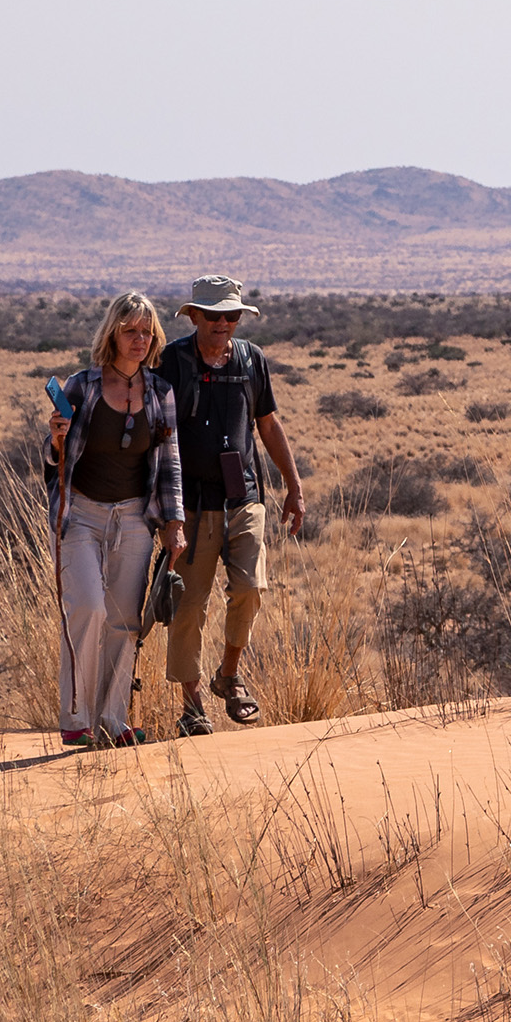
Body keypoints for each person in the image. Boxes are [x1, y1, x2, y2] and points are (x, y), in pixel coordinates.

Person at [157, 274, 304, 734]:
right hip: (193, 507)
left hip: (244, 497)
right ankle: (192, 707)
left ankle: (229, 675)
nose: (223, 324)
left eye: (231, 315)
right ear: (194, 316)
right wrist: (166, 510)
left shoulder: (251, 360)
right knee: (189, 606)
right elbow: (157, 435)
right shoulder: (172, 363)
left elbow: (268, 424)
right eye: (213, 316)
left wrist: (293, 485)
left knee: (250, 588)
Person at [47, 292, 184, 748]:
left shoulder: (160, 392)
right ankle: (75, 716)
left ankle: (113, 719)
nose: (140, 339)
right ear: (113, 333)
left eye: (147, 332)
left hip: (133, 518)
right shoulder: (81, 387)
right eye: (131, 331)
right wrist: (54, 439)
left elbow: (169, 464)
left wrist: (174, 522)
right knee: (87, 607)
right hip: (81, 515)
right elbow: (53, 459)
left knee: (125, 620)